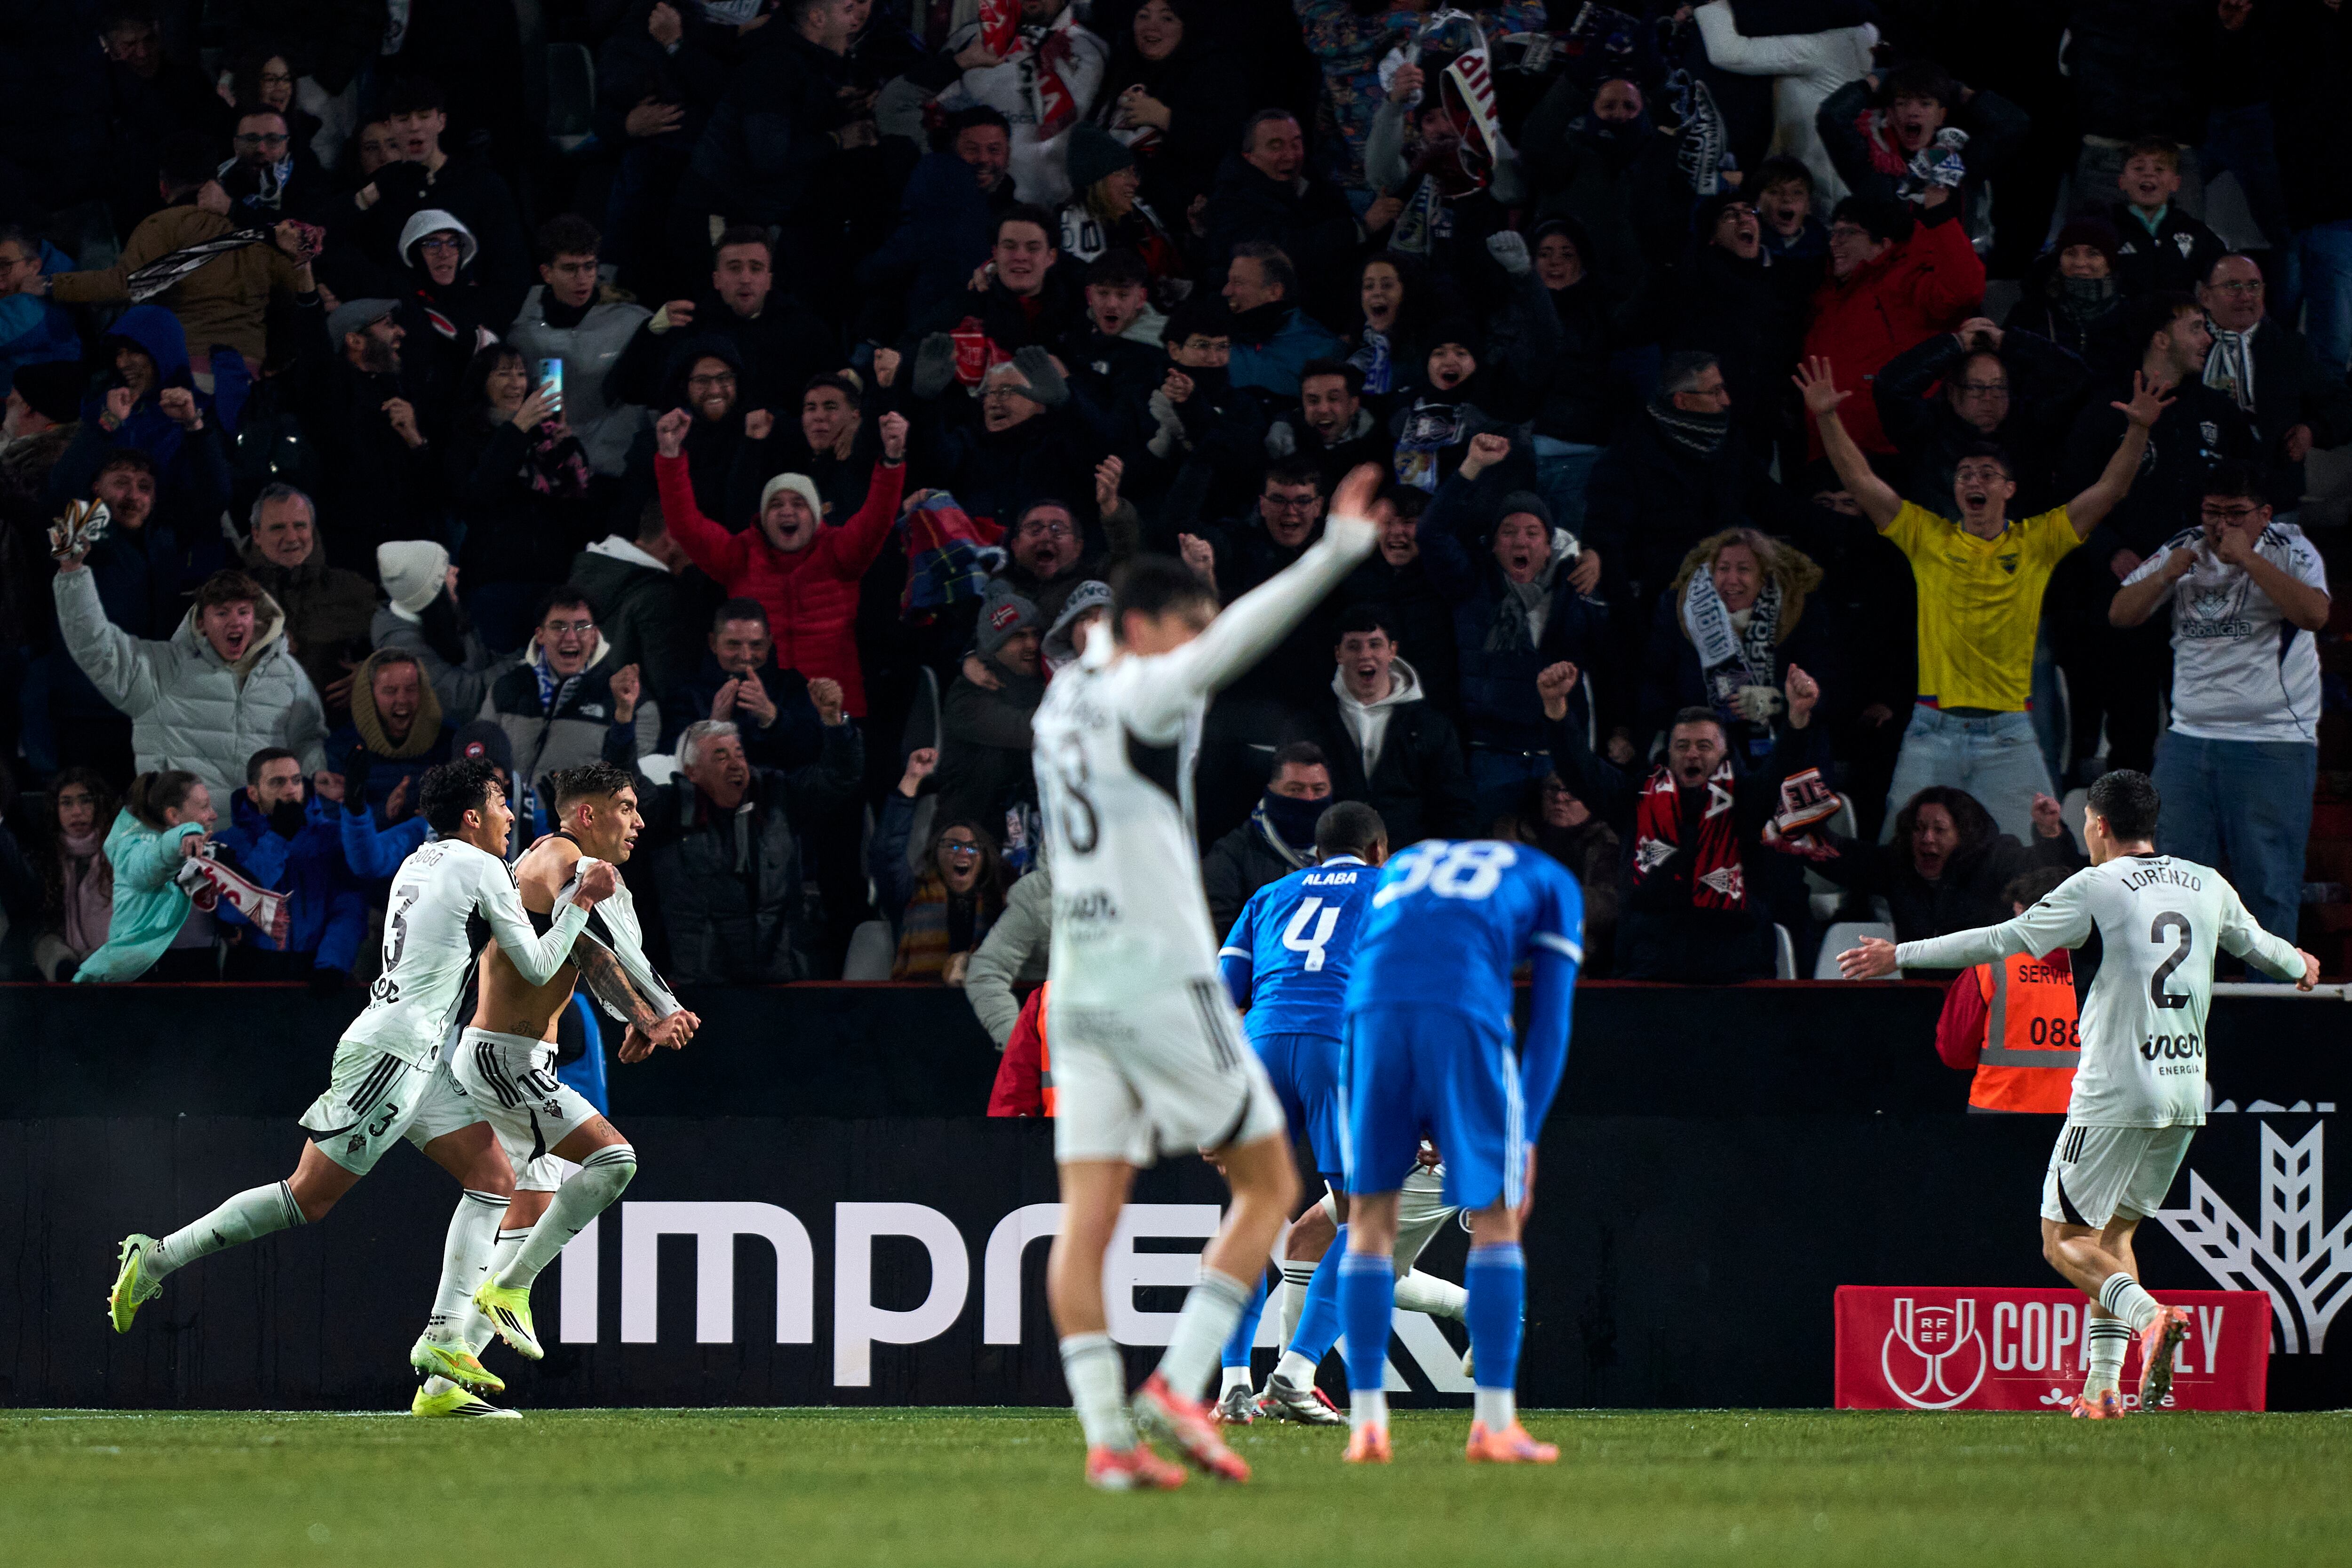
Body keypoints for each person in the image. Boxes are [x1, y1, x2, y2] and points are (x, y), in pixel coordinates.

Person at [1028, 465, 1382, 1489]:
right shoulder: (1145, 683)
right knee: (1273, 1184)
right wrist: (1335, 550)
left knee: (1086, 1217)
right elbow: (1239, 638)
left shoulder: (1059, 714)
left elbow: (1115, 639)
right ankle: (1183, 1384)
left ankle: (1107, 1442)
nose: (1195, 650)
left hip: (1080, 987)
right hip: (1159, 977)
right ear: (1144, 629)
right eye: (1182, 630)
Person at [105, 758, 617, 1415]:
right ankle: (157, 1258)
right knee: (308, 1198)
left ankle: (442, 1350)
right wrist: (581, 900)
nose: (511, 815)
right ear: (472, 816)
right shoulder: (481, 866)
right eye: (499, 803)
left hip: (421, 1053)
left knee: (494, 1175)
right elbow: (542, 961)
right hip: (393, 1054)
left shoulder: (420, 861)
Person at [1839, 769, 2319, 1417]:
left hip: (2114, 1092)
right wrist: (2300, 962)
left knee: (2060, 1239)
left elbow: (2002, 941)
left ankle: (2151, 1318)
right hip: (2184, 1091)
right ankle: (2102, 1389)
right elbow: (2259, 947)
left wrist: (1901, 954)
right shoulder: (2208, 882)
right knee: (2110, 1237)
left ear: (2096, 823)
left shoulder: (2096, 885)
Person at [1796, 355, 2165, 843]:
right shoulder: (1927, 538)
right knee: (1900, 854)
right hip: (1931, 729)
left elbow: (2110, 489)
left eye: (1986, 473)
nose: (1973, 480)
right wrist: (1825, 417)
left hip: (2008, 734)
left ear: (2009, 489)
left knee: (2032, 862)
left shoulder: (2037, 542)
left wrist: (2138, 429)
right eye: (1964, 473)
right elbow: (1861, 483)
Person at [1212, 802, 1473, 1427]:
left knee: (1251, 1215)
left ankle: (1231, 1385)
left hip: (1262, 1048)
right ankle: (1297, 1374)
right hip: (1340, 1048)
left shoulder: (1269, 895)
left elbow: (1221, 995)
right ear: (1382, 849)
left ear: (1316, 852)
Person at [1337, 833, 1583, 1464]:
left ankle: (1367, 1425)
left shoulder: (1407, 862)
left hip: (1368, 1016)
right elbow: (1551, 1022)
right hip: (1461, 1011)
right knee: (1498, 1216)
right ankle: (1494, 1425)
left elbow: (1370, 959)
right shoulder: (1554, 879)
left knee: (1368, 1221)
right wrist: (1522, 1138)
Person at [457, 761, 697, 1394]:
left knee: (524, 1227)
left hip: (518, 1059)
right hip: (501, 1059)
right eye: (625, 806)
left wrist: (645, 1014)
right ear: (587, 814)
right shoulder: (560, 857)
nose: (638, 820)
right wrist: (651, 1015)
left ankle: (446, 1374)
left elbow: (588, 953)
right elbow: (593, 947)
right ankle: (509, 1290)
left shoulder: (570, 869)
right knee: (614, 1161)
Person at [2109, 462, 2329, 947]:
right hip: (2189, 741)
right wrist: (2165, 575)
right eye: (2212, 513)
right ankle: (2184, 1006)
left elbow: (2314, 614)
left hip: (2272, 741)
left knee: (2266, 889)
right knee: (2175, 885)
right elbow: (2120, 612)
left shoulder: (2289, 547)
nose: (2220, 526)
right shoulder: (2183, 545)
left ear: (2263, 514)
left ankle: (2269, 1008)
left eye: (2235, 514)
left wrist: (2248, 559)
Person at [654, 407, 908, 722]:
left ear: (816, 517)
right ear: (763, 517)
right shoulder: (741, 555)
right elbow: (685, 526)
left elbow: (877, 518)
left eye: (798, 504)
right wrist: (670, 454)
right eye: (776, 504)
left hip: (831, 711)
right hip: (759, 711)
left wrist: (892, 461)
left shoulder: (840, 552)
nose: (787, 511)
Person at [53, 557, 327, 808]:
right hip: (185, 843)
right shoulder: (162, 669)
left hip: (263, 842)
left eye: (243, 612)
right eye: (222, 613)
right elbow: (96, 648)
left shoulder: (286, 672)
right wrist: (73, 573)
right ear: (202, 622)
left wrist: (316, 796)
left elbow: (307, 742)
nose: (236, 622)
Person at [633, 714, 863, 984]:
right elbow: (623, 783)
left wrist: (837, 725)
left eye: (739, 754)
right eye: (720, 757)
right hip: (702, 983)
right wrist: (624, 721)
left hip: (779, 976)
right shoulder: (669, 811)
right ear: (692, 772)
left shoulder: (777, 797)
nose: (736, 765)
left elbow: (839, 779)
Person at [1812, 786, 2084, 964]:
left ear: (1964, 833)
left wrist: (2050, 833)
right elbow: (1848, 859)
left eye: (1940, 830)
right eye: (1919, 829)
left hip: (1986, 1000)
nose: (1927, 839)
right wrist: (1808, 835)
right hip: (1923, 998)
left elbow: (2052, 870)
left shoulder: (1997, 857)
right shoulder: (1899, 865)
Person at [1280, 605, 1472, 849]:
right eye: (1354, 646)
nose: (1365, 655)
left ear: (1393, 650)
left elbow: (1455, 807)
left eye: (1375, 644)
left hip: (1407, 866)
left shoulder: (1432, 726)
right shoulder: (1309, 726)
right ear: (1339, 654)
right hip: (1333, 863)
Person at [447, 343, 597, 652]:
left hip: (552, 578)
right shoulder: (467, 434)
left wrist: (566, 443)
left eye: (520, 374)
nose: (516, 383)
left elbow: (579, 497)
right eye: (504, 374)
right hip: (496, 580)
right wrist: (517, 428)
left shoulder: (544, 433)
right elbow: (476, 493)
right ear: (482, 382)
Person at [2197, 254, 2352, 519]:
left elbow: (2342, 405)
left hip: (2272, 501)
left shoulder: (2290, 349)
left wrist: (2312, 431)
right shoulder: (2187, 345)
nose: (2245, 296)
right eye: (2232, 286)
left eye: (2254, 286)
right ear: (2205, 296)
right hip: (2198, 499)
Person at [477, 587, 660, 802]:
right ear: (540, 635)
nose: (571, 637)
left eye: (582, 627)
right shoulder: (505, 689)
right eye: (558, 627)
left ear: (595, 636)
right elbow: (479, 764)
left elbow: (631, 787)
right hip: (504, 824)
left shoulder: (633, 704)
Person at [505, 215, 651, 480]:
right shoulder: (521, 332)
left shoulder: (633, 322)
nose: (582, 279)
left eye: (589, 267)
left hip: (617, 470)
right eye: (571, 269)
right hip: (550, 474)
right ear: (547, 273)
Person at [1931, 866, 2081, 1116]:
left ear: (2030, 914)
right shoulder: (2106, 967)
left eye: (2017, 914)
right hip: (2084, 1120)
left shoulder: (1992, 965)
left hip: (1999, 1116)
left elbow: (1954, 1052)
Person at [212, 747, 366, 987]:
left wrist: (333, 963)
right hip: (252, 969)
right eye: (277, 782)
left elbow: (349, 907)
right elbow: (230, 912)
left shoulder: (331, 837)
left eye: (296, 780)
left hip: (317, 967)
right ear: (254, 793)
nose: (290, 790)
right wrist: (278, 838)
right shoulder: (230, 842)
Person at [871, 748, 1013, 981]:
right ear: (935, 855)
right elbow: (887, 853)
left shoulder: (1001, 901)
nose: (963, 853)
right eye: (953, 846)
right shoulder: (910, 895)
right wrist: (912, 779)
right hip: (920, 1007)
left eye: (973, 847)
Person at [239, 483, 375, 724]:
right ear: (257, 535)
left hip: (339, 733)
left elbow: (404, 643)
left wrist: (374, 673)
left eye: (300, 526)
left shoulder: (351, 587)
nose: (291, 538)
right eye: (278, 528)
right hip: (256, 731)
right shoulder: (233, 594)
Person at [70, 770, 220, 983]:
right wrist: (182, 836)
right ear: (174, 816)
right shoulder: (134, 848)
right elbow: (150, 866)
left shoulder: (202, 844)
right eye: (204, 807)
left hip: (200, 959)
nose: (213, 815)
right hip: (149, 970)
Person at [663, 599, 826, 768]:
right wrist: (713, 727)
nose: (746, 656)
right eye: (734, 645)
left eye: (756, 645)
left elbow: (816, 752)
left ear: (769, 643)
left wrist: (773, 718)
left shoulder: (793, 686)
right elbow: (671, 761)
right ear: (713, 643)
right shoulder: (686, 694)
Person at [1203, 743, 1335, 938]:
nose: (1309, 799)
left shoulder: (1350, 849)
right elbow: (1218, 932)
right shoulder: (1232, 855)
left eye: (1319, 790)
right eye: (1296, 790)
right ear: (1272, 790)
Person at [32, 769, 116, 981]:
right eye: (67, 803)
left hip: (115, 957)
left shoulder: (121, 851)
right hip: (64, 958)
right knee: (47, 946)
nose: (77, 812)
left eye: (86, 801)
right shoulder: (46, 856)